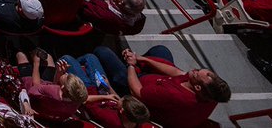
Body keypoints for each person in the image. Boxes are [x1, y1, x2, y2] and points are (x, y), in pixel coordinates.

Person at [93, 45, 231, 127]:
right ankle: (132, 62)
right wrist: (142, 59)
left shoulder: (174, 96)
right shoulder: (212, 93)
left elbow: (137, 92)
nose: (193, 71)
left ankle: (121, 68)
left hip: (138, 88)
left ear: (198, 88)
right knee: (161, 50)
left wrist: (131, 64)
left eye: (195, 74)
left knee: (103, 52)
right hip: (159, 81)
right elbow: (178, 73)